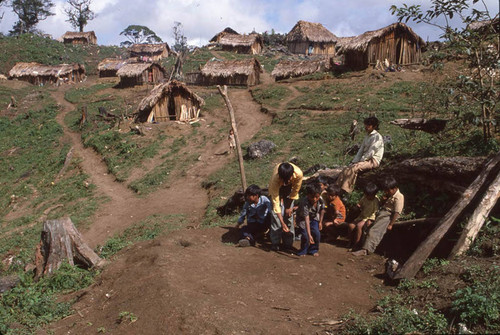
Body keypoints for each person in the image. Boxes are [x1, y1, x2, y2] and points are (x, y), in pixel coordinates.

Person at [352, 176, 404, 256]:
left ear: (395, 188)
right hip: (381, 212)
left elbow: (397, 212)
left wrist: (391, 224)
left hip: (388, 215)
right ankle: (362, 245)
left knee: (374, 230)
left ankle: (366, 250)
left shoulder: (399, 197)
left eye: (388, 190)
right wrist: (384, 199)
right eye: (385, 190)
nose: (386, 192)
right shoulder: (390, 194)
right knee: (367, 226)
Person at [336, 116, 384, 194]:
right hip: (365, 159)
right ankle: (337, 186)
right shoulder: (367, 136)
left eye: (368, 125)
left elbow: (371, 152)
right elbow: (361, 150)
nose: (366, 127)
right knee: (346, 169)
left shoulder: (377, 137)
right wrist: (354, 161)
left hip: (372, 160)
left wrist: (361, 161)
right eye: (366, 125)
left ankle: (345, 190)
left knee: (354, 168)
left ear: (374, 126)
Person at [268, 162, 303, 251]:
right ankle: (275, 243)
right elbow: (276, 202)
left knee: (289, 216)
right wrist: (282, 222)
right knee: (276, 217)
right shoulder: (275, 180)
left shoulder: (298, 174)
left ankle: (288, 243)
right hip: (277, 189)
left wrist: (288, 207)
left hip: (290, 188)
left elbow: (295, 192)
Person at [348, 182, 379, 250]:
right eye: (366, 195)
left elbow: (375, 212)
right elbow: (360, 204)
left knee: (359, 226)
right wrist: (358, 206)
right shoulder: (364, 198)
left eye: (369, 195)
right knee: (351, 225)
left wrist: (370, 220)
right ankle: (351, 241)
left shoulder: (375, 200)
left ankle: (357, 244)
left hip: (369, 217)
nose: (368, 197)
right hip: (362, 216)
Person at [296, 183, 325, 256]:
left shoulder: (321, 200)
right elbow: (306, 218)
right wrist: (309, 234)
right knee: (305, 235)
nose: (314, 199)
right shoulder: (304, 203)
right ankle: (303, 250)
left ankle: (313, 249)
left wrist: (320, 222)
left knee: (317, 233)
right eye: (312, 197)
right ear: (308, 195)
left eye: (317, 197)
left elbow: (322, 210)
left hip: (314, 217)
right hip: (303, 219)